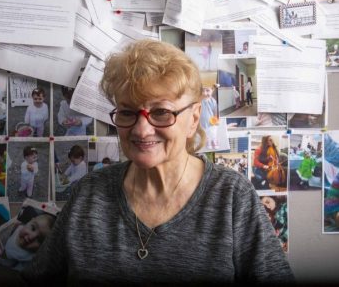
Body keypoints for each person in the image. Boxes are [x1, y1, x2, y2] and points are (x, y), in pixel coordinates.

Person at [22, 39, 294, 285]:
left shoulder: (231, 196)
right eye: (128, 112)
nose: (141, 130)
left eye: (161, 112)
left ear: (194, 117)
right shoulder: (89, 192)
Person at [199, 85, 219, 150]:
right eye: (203, 91)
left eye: (207, 91)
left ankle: (214, 140)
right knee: (205, 133)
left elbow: (215, 111)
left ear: (212, 91)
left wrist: (216, 120)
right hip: (202, 121)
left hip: (211, 121)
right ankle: (208, 141)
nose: (205, 93)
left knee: (213, 132)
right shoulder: (200, 100)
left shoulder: (213, 101)